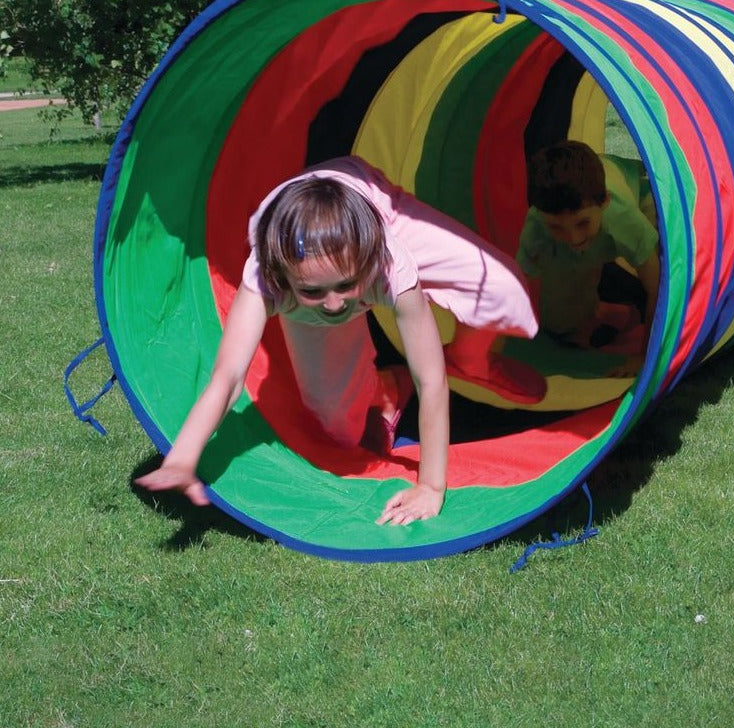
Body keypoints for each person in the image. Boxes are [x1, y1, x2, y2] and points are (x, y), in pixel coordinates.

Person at [135, 156, 544, 525]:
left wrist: (431, 487)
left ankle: (470, 361)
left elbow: (432, 379)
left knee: (503, 291)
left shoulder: (388, 261)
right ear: (285, 280)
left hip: (370, 204)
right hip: (305, 242)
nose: (333, 306)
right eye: (314, 292)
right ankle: (385, 387)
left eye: (346, 287)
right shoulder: (266, 276)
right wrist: (183, 458)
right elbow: (227, 377)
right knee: (338, 430)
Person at [516, 141, 660, 376]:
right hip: (591, 203)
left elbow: (658, 287)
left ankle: (630, 311)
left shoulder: (623, 218)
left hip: (646, 191)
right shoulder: (536, 227)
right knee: (560, 322)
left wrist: (644, 358)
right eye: (556, 227)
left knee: (670, 264)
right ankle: (612, 314)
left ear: (604, 203)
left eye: (582, 223)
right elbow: (524, 283)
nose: (573, 237)